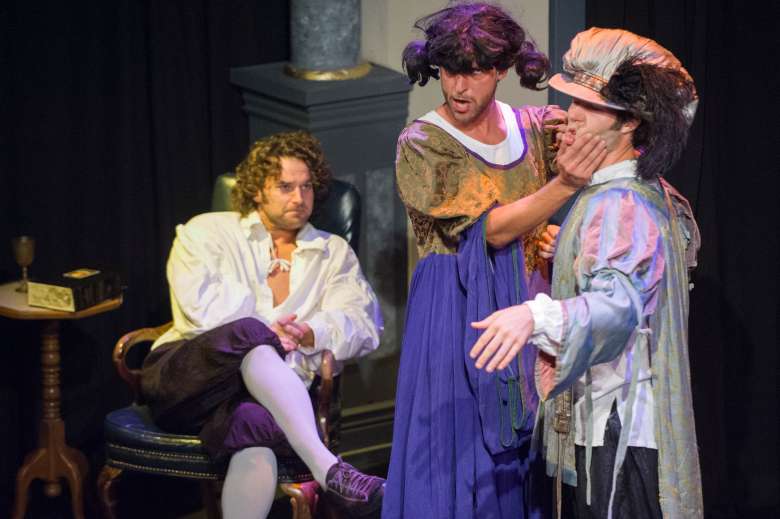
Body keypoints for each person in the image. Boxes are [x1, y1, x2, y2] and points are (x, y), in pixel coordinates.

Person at [469, 28, 703, 519]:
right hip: (608, 419)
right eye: (573, 100)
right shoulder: (638, 191)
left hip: (620, 429)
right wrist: (572, 255)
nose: (571, 114)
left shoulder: (621, 202)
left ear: (630, 122)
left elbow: (619, 307)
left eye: (589, 106)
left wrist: (532, 317)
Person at [384, 4, 606, 518]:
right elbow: (489, 228)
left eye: (475, 72)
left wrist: (556, 235)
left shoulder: (535, 127)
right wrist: (563, 188)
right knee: (457, 443)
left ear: (501, 69)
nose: (459, 87)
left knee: (527, 442)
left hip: (528, 297)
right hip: (453, 305)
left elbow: (576, 181)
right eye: (449, 71)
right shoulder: (423, 143)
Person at [140, 131, 385, 518]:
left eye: (306, 187)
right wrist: (269, 332)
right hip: (187, 379)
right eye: (285, 187)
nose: (299, 198)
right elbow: (200, 311)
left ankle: (328, 476)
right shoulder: (207, 232)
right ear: (257, 190)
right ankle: (330, 470)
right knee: (254, 336)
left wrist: (311, 332)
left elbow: (364, 323)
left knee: (256, 430)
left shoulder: (332, 253)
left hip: (261, 396)